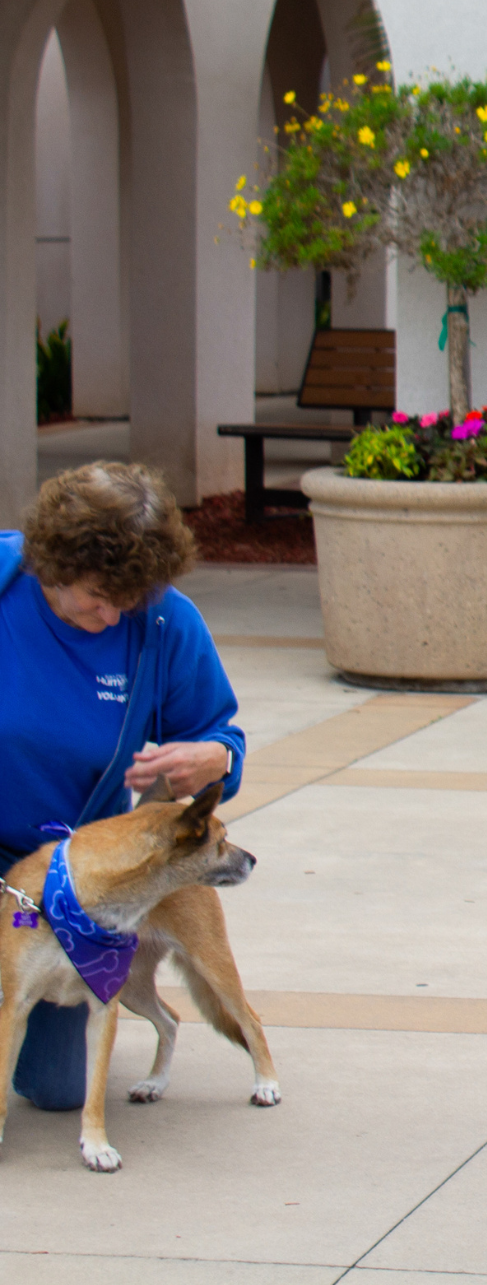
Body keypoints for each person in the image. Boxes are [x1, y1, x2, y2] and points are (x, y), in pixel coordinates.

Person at [2, 461, 246, 1110]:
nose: (112, 615)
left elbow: (222, 738)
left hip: (67, 879)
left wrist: (211, 757)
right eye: (95, 595)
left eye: (128, 599)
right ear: (50, 563)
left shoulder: (166, 623)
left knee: (56, 1088)